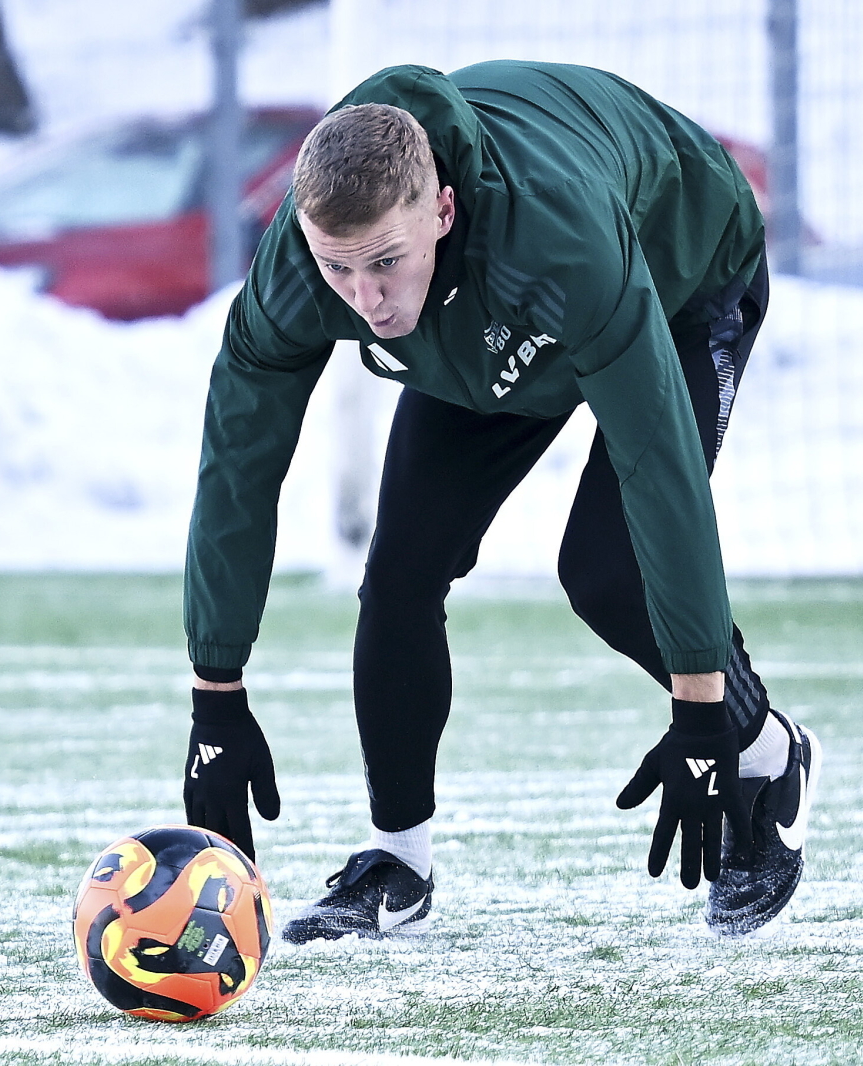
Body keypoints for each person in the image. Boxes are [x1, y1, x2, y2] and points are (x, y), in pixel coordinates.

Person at [180, 60, 820, 942]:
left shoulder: (562, 244)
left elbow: (660, 471)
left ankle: (768, 750)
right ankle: (397, 860)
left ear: (440, 210)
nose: (364, 301)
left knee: (603, 570)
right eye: (340, 270)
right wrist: (216, 697)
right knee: (400, 574)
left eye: (384, 264)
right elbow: (236, 466)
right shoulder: (303, 270)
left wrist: (703, 712)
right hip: (475, 322)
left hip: (679, 275)